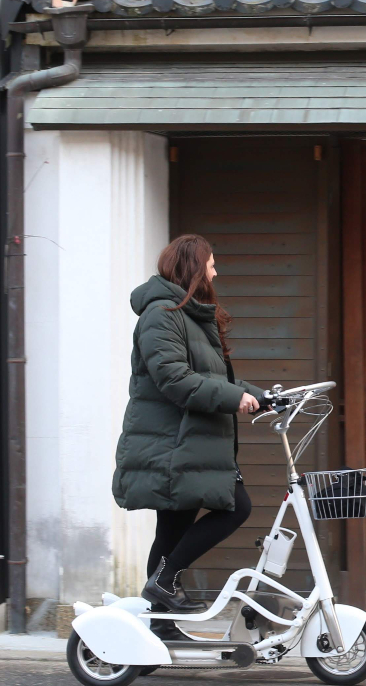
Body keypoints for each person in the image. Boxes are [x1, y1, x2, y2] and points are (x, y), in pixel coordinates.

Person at [112, 235, 264, 640]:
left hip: (189, 441)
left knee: (172, 530)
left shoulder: (188, 315)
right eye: (211, 264)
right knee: (236, 507)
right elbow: (175, 380)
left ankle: (160, 623)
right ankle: (165, 583)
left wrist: (262, 395)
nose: (216, 272)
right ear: (194, 269)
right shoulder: (161, 315)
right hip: (173, 443)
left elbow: (212, 378)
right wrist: (236, 399)